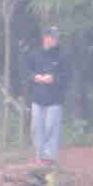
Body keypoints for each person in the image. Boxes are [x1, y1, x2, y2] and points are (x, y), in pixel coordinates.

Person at [25, 27, 69, 166]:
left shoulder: (62, 55)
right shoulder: (34, 54)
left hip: (55, 99)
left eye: (56, 37)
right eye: (53, 37)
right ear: (45, 38)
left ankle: (49, 158)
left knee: (51, 128)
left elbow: (67, 76)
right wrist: (34, 77)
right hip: (37, 97)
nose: (55, 40)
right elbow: (26, 72)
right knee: (36, 128)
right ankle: (39, 157)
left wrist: (54, 78)